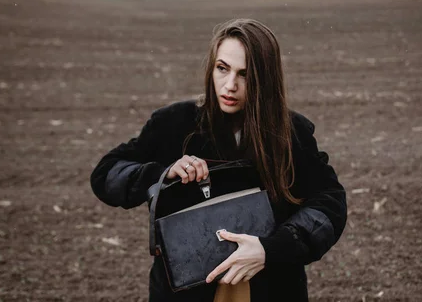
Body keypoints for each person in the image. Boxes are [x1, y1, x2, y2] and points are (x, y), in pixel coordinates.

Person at [90, 18, 347, 302]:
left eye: (245, 74)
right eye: (222, 69)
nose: (230, 85)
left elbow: (329, 202)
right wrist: (162, 174)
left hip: (272, 289)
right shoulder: (174, 124)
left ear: (266, 79)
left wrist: (271, 249)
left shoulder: (291, 133)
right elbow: (106, 175)